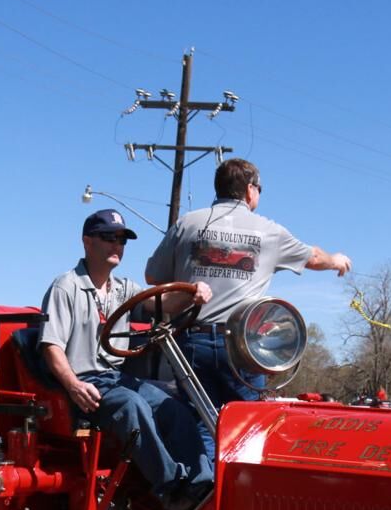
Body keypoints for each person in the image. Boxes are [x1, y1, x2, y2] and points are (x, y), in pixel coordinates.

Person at [41, 210, 213, 510]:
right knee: (131, 404)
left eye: (121, 240)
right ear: (87, 242)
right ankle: (171, 489)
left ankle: (202, 486)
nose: (116, 245)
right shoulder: (65, 287)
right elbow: (51, 346)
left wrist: (194, 294)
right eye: (109, 238)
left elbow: (167, 304)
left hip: (116, 377)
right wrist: (73, 385)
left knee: (174, 406)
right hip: (85, 383)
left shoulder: (123, 289)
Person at [145, 158, 351, 408]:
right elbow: (315, 257)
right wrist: (336, 260)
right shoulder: (269, 231)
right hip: (242, 346)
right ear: (249, 189)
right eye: (259, 189)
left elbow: (153, 277)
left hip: (192, 341)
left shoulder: (188, 223)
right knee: (242, 425)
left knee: (200, 423)